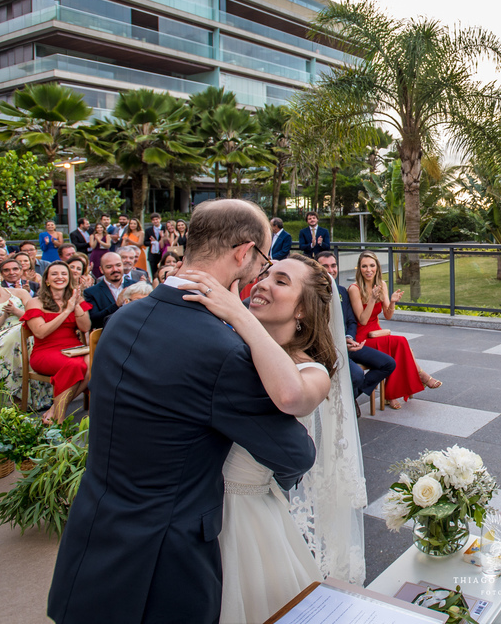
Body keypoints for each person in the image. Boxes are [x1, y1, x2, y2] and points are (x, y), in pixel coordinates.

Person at [48, 198, 316, 624]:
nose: (260, 274)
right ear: (243, 253)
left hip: (92, 539)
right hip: (162, 565)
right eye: (263, 261)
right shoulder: (223, 350)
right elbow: (294, 454)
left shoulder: (121, 320)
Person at [182, 254, 366, 621]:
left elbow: (290, 396)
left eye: (281, 281)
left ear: (302, 309)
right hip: (193, 507)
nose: (263, 283)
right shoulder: (229, 346)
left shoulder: (312, 370)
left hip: (245, 517)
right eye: (265, 274)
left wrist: (239, 315)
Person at [348, 250, 440, 409]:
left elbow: (388, 315)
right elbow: (362, 320)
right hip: (362, 338)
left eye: (372, 265)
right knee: (401, 343)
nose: (368, 270)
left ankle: (392, 394)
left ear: (377, 267)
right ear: (359, 268)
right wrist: (372, 299)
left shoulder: (381, 284)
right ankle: (418, 376)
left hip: (377, 333)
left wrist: (392, 302)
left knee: (400, 347)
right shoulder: (354, 289)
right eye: (364, 266)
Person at [318, 252, 395, 405]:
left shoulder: (341, 291)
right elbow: (361, 320)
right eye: (325, 266)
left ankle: (350, 399)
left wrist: (349, 338)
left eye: (333, 266)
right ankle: (349, 402)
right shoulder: (311, 293)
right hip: (326, 347)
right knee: (357, 374)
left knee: (389, 363)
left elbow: (351, 321)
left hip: (349, 344)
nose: (330, 270)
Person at [22, 262, 92, 423]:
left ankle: (55, 409)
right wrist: (66, 311)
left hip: (74, 349)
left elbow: (85, 327)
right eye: (54, 274)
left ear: (69, 278)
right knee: (75, 365)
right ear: (46, 279)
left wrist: (76, 305)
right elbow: (40, 332)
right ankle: (58, 421)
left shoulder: (76, 299)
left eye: (64, 274)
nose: (59, 277)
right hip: (45, 352)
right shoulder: (35, 302)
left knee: (93, 362)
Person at [83, 252, 138, 330]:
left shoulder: (136, 285)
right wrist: (116, 305)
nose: (115, 269)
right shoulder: (91, 292)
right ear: (101, 270)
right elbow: (94, 321)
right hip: (110, 333)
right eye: (109, 267)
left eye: (118, 265)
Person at [143, 211, 164, 277]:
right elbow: (145, 242)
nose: (155, 221)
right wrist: (152, 242)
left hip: (162, 253)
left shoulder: (164, 228)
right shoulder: (148, 230)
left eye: (156, 219)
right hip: (152, 254)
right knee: (153, 272)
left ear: (160, 219)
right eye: (153, 220)